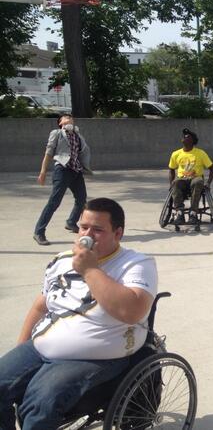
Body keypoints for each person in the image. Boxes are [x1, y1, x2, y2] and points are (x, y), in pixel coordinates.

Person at [0, 198, 158, 429]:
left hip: (96, 357)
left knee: (39, 404)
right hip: (42, 345)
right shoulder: (62, 260)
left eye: (98, 230)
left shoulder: (136, 264)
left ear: (118, 233)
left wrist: (90, 269)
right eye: (84, 227)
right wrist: (21, 347)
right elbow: (40, 305)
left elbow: (131, 311)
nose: (87, 235)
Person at [33, 114, 91, 246]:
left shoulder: (78, 135)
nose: (69, 118)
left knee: (82, 199)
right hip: (62, 170)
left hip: (76, 171)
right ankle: (39, 231)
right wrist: (43, 171)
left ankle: (71, 222)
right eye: (65, 117)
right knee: (54, 202)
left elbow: (82, 152)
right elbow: (49, 152)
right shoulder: (57, 133)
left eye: (71, 117)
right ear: (60, 123)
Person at [168, 128, 213, 225]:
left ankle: (193, 213)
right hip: (182, 179)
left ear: (192, 141)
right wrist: (171, 184)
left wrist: (208, 183)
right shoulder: (176, 154)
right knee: (175, 183)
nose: (185, 137)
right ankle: (179, 213)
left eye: (188, 136)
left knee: (197, 182)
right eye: (184, 136)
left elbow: (212, 169)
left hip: (196, 178)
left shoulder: (200, 153)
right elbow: (171, 169)